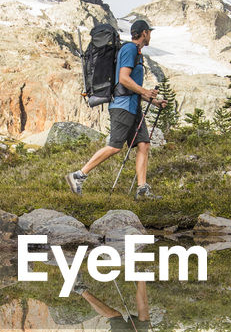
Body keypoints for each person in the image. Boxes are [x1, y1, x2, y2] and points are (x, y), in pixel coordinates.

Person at [66, 18, 164, 200]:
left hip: (133, 107)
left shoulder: (136, 52)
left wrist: (154, 100)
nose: (150, 35)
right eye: (149, 32)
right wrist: (145, 91)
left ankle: (142, 190)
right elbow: (124, 79)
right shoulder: (129, 49)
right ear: (144, 33)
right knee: (114, 146)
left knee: (144, 144)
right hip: (123, 107)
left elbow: (128, 85)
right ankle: (78, 175)